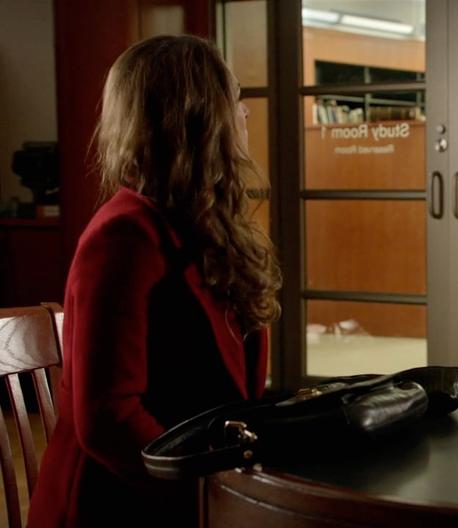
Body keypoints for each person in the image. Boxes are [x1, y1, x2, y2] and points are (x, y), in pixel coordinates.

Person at [29, 35, 281, 527]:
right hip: (120, 505)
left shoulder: (202, 224)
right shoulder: (123, 237)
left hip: (189, 485)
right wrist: (213, 495)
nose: (245, 113)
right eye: (235, 100)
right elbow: (109, 418)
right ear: (197, 118)